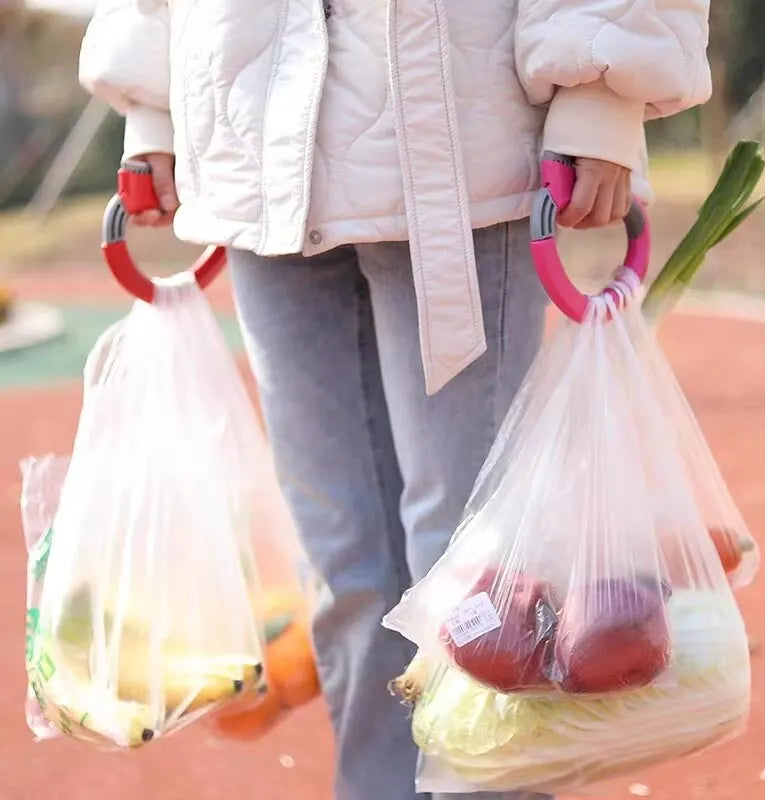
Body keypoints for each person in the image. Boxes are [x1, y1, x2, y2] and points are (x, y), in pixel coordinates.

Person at [78, 2, 711, 798]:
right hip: (250, 155)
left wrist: (602, 92)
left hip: (456, 149)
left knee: (475, 576)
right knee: (344, 568)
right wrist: (153, 107)